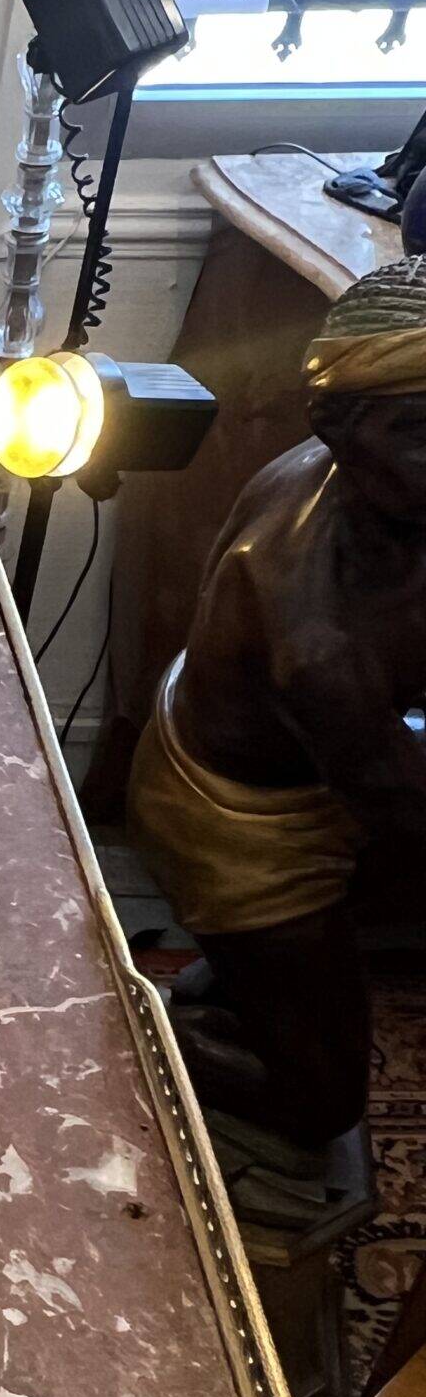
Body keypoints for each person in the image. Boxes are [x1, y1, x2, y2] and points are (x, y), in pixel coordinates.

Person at [128, 255, 426, 1158]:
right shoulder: (318, 637)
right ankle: (129, 1038)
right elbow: (409, 821)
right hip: (242, 828)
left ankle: (243, 980)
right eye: (424, 430)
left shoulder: (366, 479)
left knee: (291, 975)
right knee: (321, 1099)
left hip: (280, 748)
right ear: (339, 423)